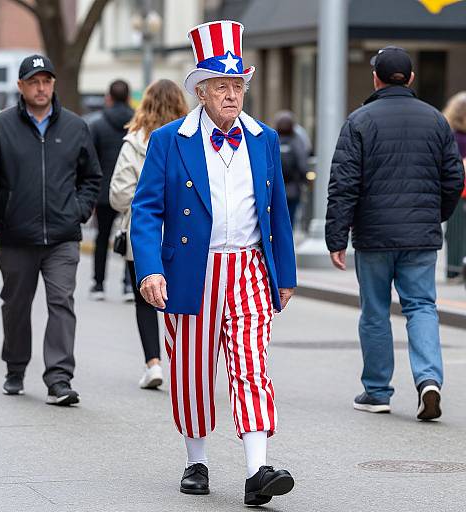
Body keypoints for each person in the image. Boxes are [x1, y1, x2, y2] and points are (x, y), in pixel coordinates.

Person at [131, 21, 297, 506]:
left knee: (251, 365)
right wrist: (150, 268)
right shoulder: (169, 140)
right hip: (192, 269)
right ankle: (196, 460)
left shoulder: (264, 138)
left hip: (248, 267)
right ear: (201, 91)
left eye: (238, 85)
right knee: (193, 369)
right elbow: (146, 210)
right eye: (221, 86)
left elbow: (278, 212)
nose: (232, 94)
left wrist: (284, 273)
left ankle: (257, 469)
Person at [325, 46, 465, 421]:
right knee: (421, 307)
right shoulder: (436, 121)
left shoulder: (359, 121)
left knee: (375, 311)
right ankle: (429, 380)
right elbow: (454, 177)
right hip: (420, 235)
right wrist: (434, 216)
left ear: (376, 78)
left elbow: (343, 184)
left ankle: (376, 391)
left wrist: (336, 237)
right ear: (412, 79)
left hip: (373, 236)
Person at [0, 54, 101, 405]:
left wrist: (78, 211)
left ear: (53, 84)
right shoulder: (0, 128)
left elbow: (92, 178)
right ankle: (15, 367)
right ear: (21, 86)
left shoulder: (75, 127)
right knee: (15, 305)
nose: (41, 88)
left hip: (62, 236)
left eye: (46, 81)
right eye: (33, 81)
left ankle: (59, 378)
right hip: (15, 236)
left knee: (61, 302)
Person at [110, 79, 188, 389]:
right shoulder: (190, 138)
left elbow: (118, 194)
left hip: (144, 233)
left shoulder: (134, 142)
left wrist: (145, 201)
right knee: (183, 298)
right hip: (185, 233)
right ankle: (184, 363)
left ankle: (153, 363)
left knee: (145, 302)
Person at [88, 80, 134, 301]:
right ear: (127, 98)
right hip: (131, 190)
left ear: (108, 98)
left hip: (104, 191)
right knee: (130, 237)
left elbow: (91, 159)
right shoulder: (136, 124)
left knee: (101, 237)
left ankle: (98, 284)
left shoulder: (98, 125)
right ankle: (128, 285)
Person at [443, 92, 466, 280]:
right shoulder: (455, 138)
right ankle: (455, 269)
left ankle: (455, 270)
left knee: (456, 232)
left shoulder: (449, 136)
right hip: (461, 191)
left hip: (456, 190)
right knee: (457, 231)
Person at [274, 110, 308, 228]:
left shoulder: (272, 139)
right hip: (293, 189)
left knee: (276, 219)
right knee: (290, 219)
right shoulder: (297, 141)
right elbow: (302, 164)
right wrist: (304, 181)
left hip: (275, 189)